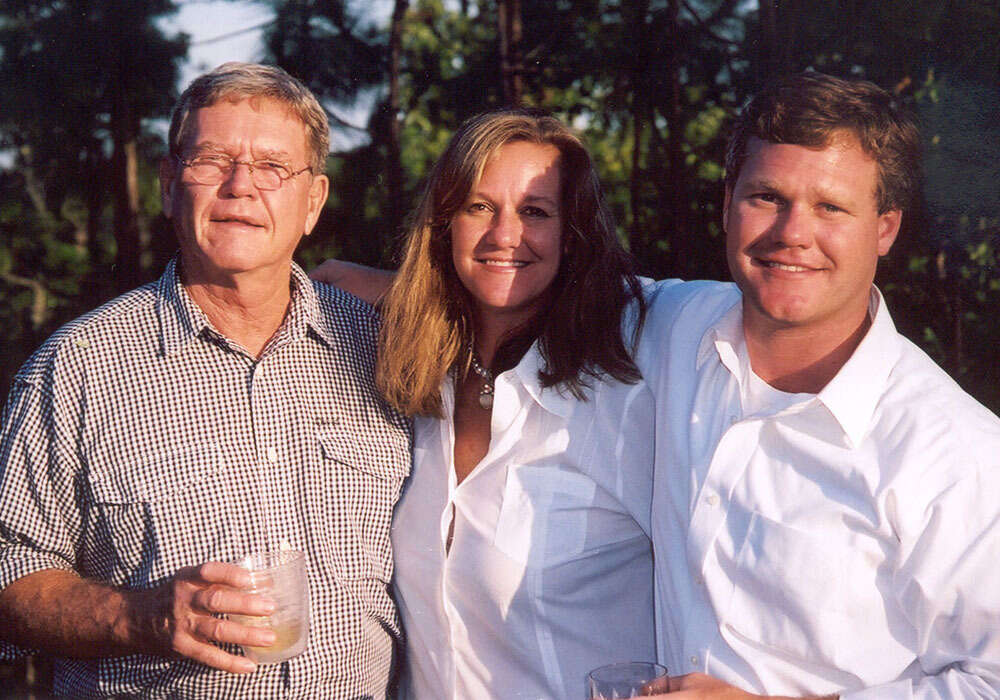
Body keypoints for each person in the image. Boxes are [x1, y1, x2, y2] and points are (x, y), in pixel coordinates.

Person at [0, 63, 410, 698]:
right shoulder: (77, 365)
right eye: (212, 161)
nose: (241, 186)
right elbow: (9, 570)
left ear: (313, 203)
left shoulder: (383, 352)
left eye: (274, 167)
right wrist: (137, 616)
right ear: (168, 186)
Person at [638, 72, 1000, 698]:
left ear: (885, 228)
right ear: (728, 201)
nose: (792, 233)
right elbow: (520, 289)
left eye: (831, 207)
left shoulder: (957, 453)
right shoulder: (670, 328)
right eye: (767, 197)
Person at [319, 108, 659, 698]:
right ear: (445, 222)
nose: (505, 234)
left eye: (536, 211)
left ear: (573, 232)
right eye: (480, 207)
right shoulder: (423, 373)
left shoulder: (635, 381)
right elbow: (332, 278)